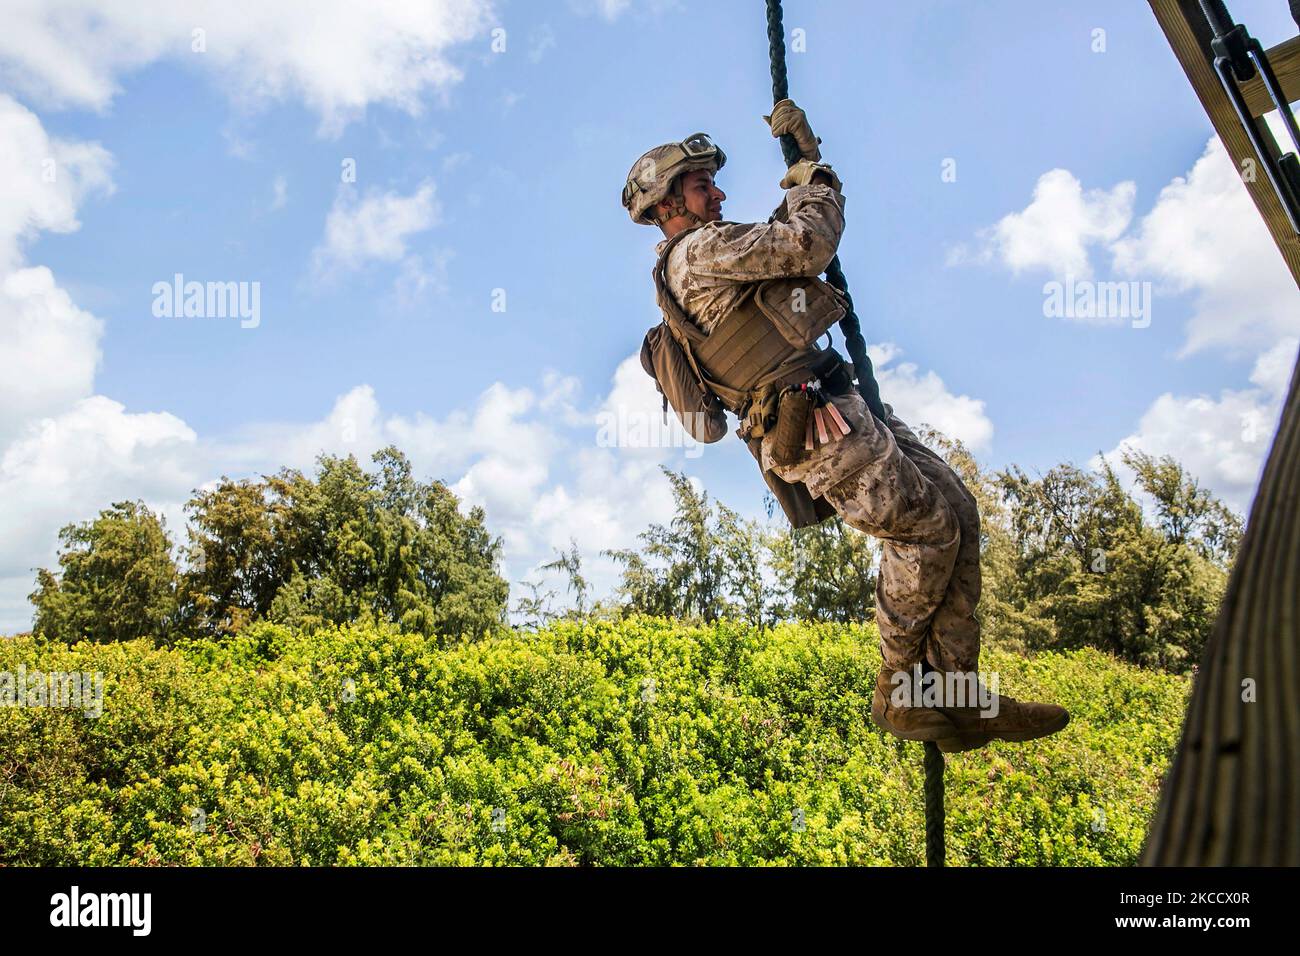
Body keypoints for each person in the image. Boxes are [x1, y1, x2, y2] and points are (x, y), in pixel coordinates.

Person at [622, 101, 1069, 752]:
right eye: (700, 184)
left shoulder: (706, 252)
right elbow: (806, 242)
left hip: (838, 398)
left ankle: (957, 695)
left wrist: (807, 157)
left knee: (958, 512)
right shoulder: (696, 253)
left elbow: (780, 244)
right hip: (816, 421)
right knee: (923, 531)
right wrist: (817, 178)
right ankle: (897, 690)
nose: (716, 192)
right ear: (667, 206)